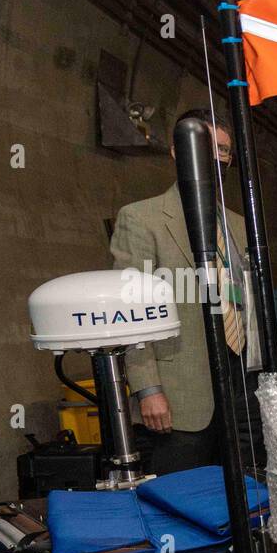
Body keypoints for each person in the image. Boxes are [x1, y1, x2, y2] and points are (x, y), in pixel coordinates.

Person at [110, 108, 264, 473]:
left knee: (246, 489)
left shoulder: (241, 225)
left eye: (223, 150)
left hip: (244, 384)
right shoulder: (142, 219)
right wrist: (148, 388)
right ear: (179, 150)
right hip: (182, 393)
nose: (215, 156)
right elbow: (132, 311)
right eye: (205, 144)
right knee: (184, 499)